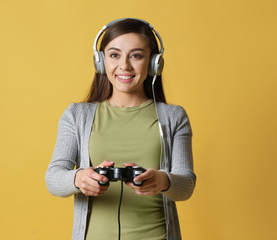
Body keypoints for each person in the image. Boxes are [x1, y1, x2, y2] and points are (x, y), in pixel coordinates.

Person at [45, 18, 196, 240]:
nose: (124, 66)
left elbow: (187, 184)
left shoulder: (174, 117)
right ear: (101, 61)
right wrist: (78, 179)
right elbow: (53, 178)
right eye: (114, 55)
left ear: (154, 62)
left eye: (136, 55)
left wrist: (164, 181)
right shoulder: (76, 115)